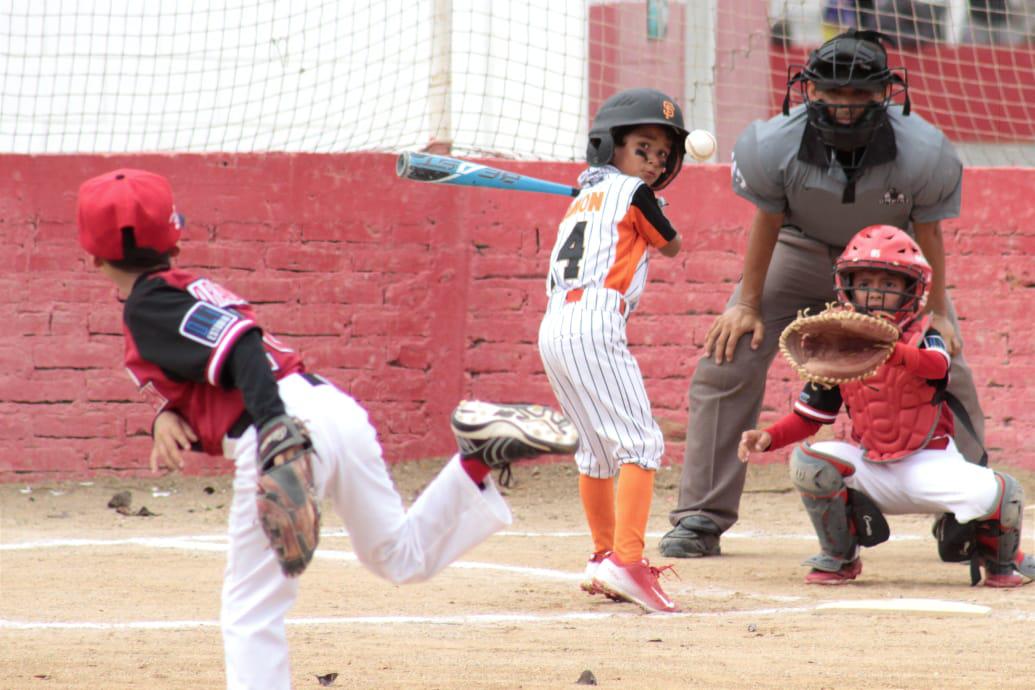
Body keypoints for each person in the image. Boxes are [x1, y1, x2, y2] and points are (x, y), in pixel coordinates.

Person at [75, 168, 580, 689]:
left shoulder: (149, 305)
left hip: (283, 426)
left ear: (92, 256)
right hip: (333, 409)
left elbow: (241, 343)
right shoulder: (181, 290)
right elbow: (215, 364)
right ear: (175, 239)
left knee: (251, 610)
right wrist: (170, 413)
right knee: (399, 558)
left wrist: (276, 433)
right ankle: (475, 459)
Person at [661, 30, 988, 558]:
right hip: (800, 247)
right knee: (727, 356)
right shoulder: (772, 143)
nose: (844, 106)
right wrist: (746, 305)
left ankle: (971, 519)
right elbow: (766, 222)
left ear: (885, 94)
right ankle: (701, 514)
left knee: (949, 364)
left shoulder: (925, 150)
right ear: (808, 90)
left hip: (889, 265)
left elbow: (929, 235)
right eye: (833, 93)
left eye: (859, 95)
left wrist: (937, 313)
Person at [738, 225, 1034, 587]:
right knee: (810, 462)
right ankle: (840, 557)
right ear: (846, 286)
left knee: (1005, 493)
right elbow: (809, 418)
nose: (875, 295)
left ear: (911, 290)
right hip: (873, 467)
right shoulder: (840, 344)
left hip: (930, 465)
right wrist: (767, 437)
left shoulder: (925, 333)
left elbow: (938, 366)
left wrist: (892, 350)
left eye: (889, 286)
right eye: (864, 283)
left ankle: (1000, 562)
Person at [537, 88, 685, 613]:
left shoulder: (582, 200)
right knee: (641, 443)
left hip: (555, 324)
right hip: (596, 320)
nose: (654, 161)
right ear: (610, 146)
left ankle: (603, 558)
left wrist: (638, 198)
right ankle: (627, 560)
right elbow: (672, 244)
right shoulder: (632, 194)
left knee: (597, 450)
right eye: (643, 148)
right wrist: (649, 203)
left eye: (662, 155)